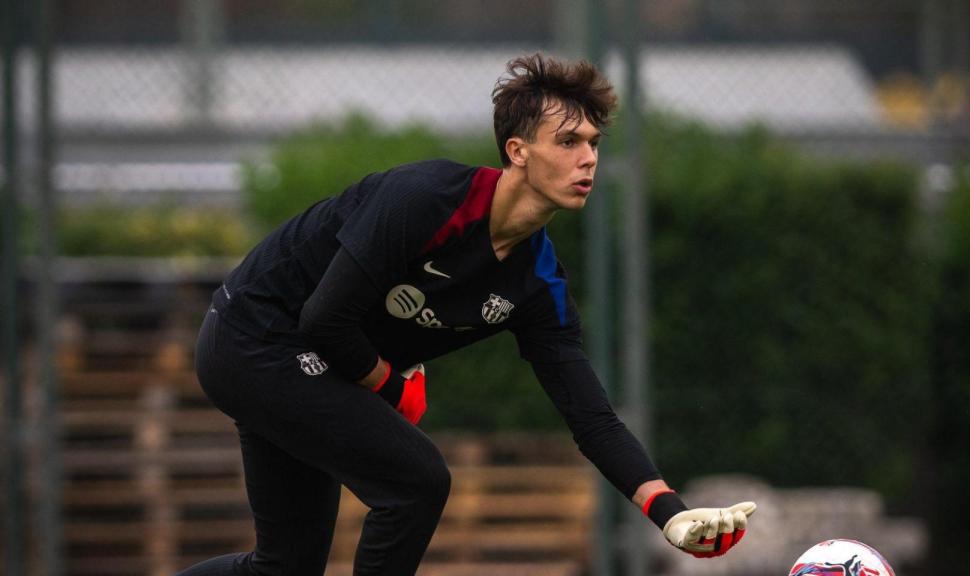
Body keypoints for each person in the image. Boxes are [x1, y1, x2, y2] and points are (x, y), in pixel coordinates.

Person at [178, 53, 756, 576]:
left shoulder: (539, 282)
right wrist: (390, 384)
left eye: (593, 143)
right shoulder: (424, 199)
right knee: (417, 481)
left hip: (306, 360)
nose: (588, 158)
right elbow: (324, 319)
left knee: (285, 568)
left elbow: (591, 417)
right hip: (252, 335)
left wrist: (669, 512)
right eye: (568, 141)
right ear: (518, 152)